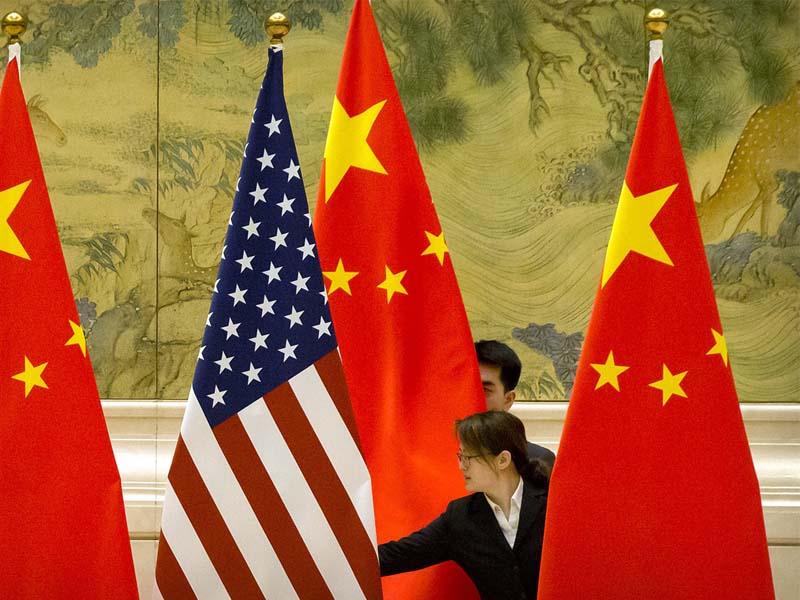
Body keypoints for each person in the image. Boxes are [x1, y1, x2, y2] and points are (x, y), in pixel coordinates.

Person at [379, 410, 548, 600]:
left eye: (468, 458)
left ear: (503, 460)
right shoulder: (460, 517)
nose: (461, 466)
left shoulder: (551, 504)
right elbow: (400, 554)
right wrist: (351, 558)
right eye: (460, 456)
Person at [475, 340, 556, 469]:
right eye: (468, 387)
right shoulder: (440, 455)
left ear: (508, 400)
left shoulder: (536, 461)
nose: (473, 397)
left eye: (484, 390)